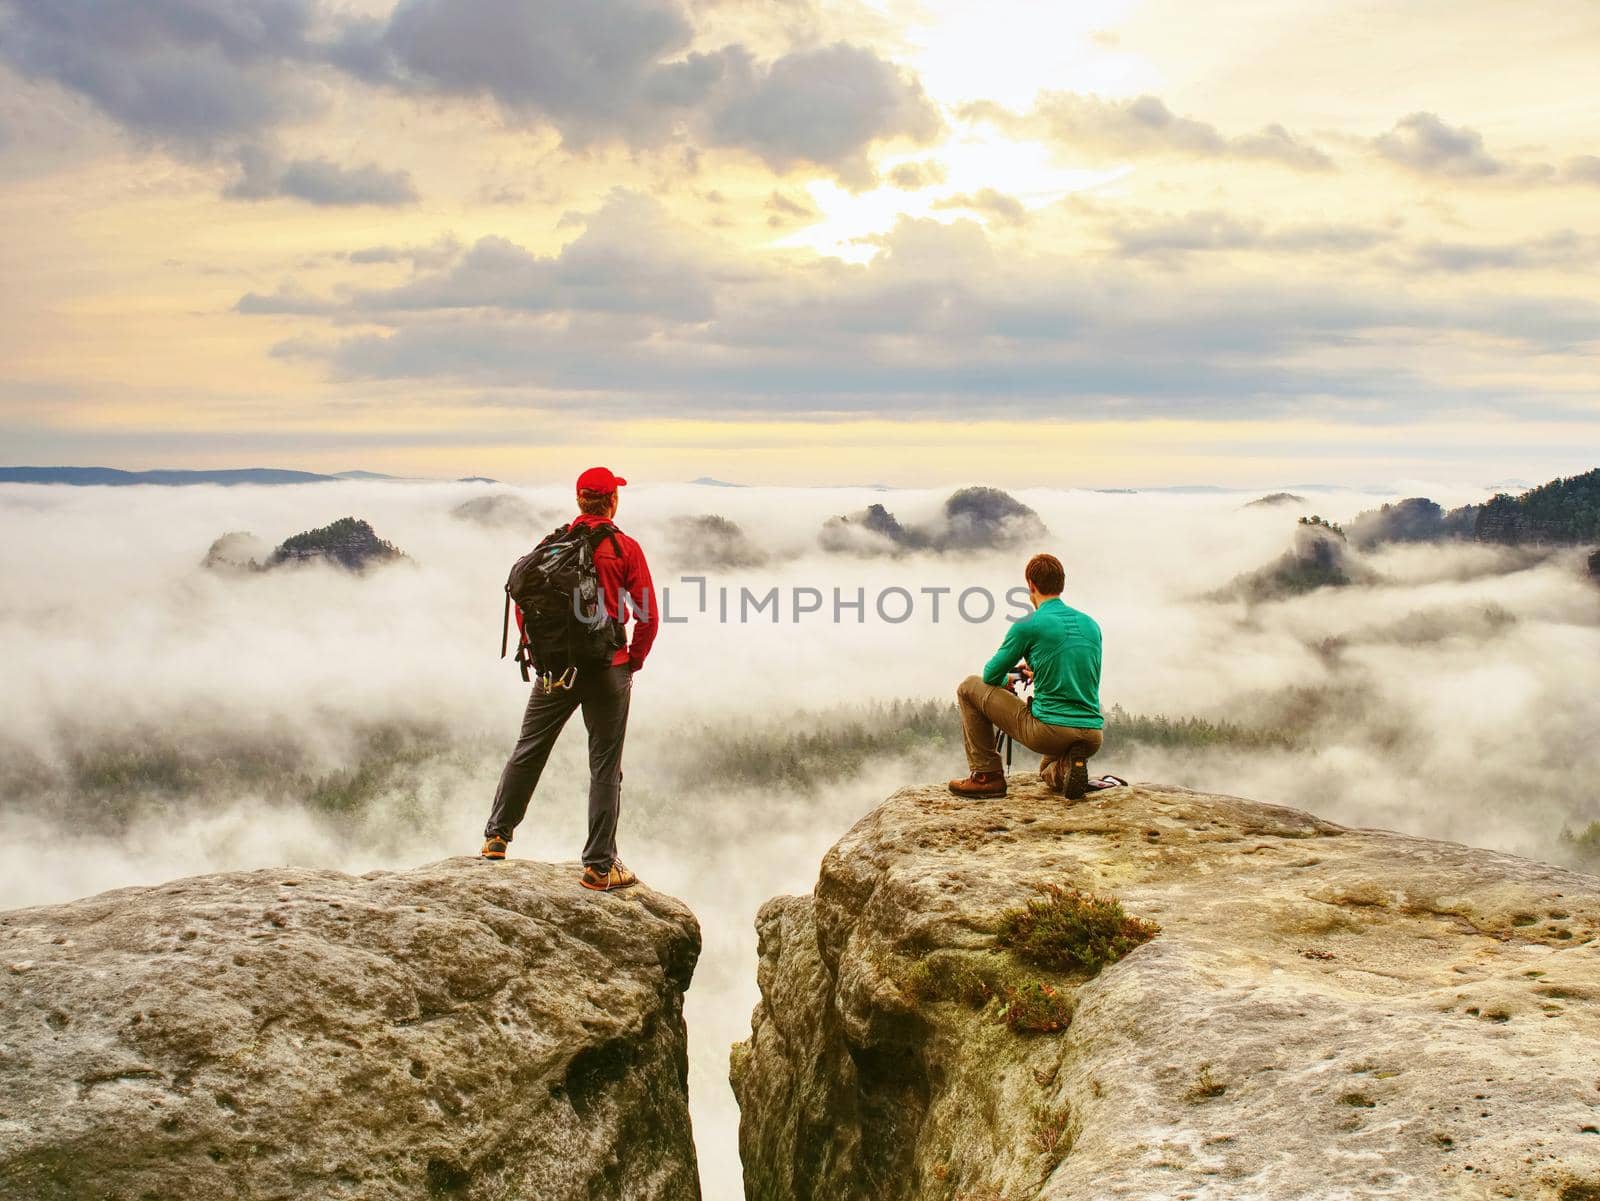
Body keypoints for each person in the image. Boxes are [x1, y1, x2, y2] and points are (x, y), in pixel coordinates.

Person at [480, 467, 659, 890]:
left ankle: (496, 837)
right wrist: (634, 658)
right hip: (607, 668)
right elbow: (647, 613)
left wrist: (543, 654)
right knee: (604, 766)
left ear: (580, 501)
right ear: (612, 501)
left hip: (555, 671)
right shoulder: (625, 548)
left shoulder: (550, 547)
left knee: (529, 749)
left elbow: (525, 605)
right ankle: (599, 866)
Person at [949, 553, 1104, 801]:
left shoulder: (1029, 624)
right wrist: (1040, 671)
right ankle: (1066, 768)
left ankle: (986, 776)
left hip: (1050, 732)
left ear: (1031, 585)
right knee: (1045, 771)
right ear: (1061, 583)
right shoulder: (1091, 624)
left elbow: (990, 674)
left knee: (968, 686)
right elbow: (1077, 669)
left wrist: (1005, 681)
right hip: (1093, 734)